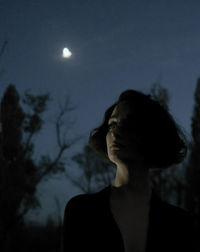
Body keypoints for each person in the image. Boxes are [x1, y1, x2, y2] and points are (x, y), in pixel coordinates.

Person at [62, 89, 194, 252]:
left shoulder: (180, 223)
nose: (115, 132)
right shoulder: (82, 211)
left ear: (151, 135)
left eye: (129, 123)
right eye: (112, 124)